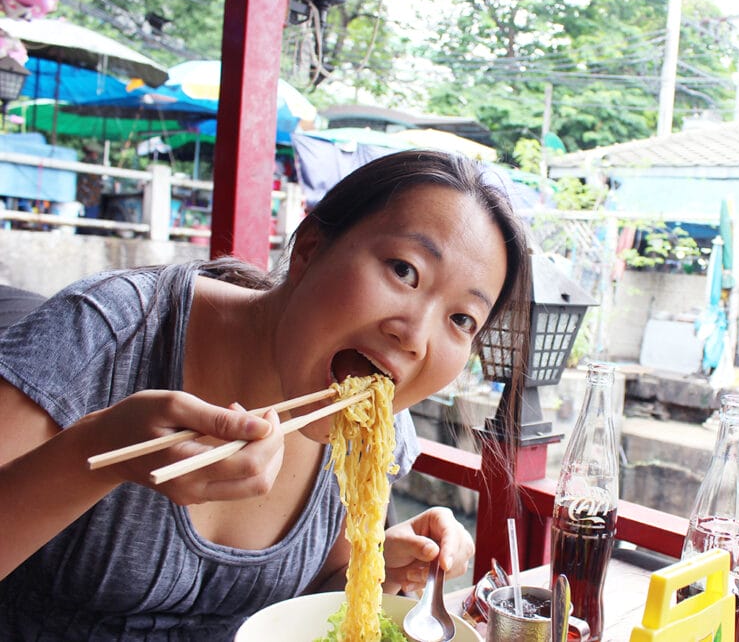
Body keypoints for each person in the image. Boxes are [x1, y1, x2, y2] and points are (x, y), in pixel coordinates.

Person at [0, 149, 533, 639]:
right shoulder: (107, 334)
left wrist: (373, 567)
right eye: (403, 270)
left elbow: (295, 608)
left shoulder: (377, 434)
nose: (414, 336)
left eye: (462, 318)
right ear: (309, 249)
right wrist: (94, 455)